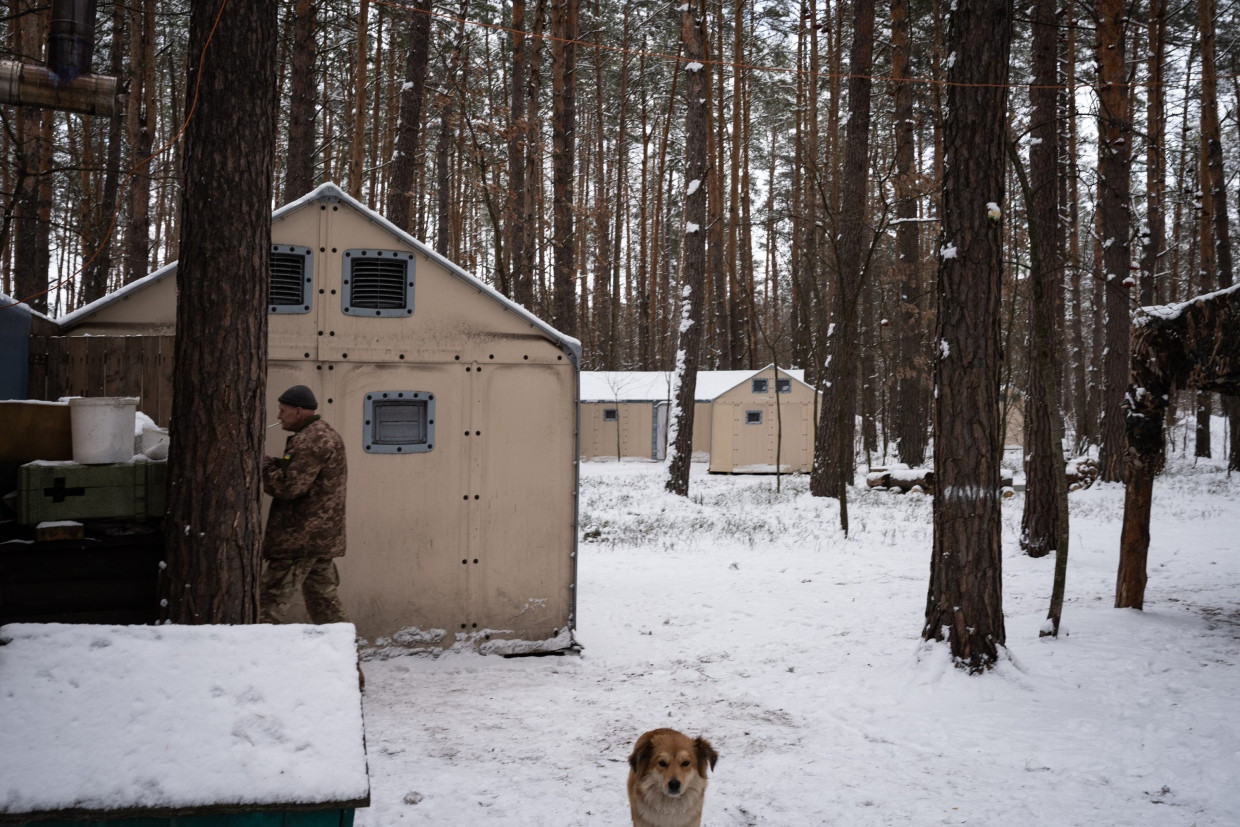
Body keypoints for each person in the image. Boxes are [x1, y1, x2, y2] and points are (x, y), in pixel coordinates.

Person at [259, 384, 350, 624]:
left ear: (298, 412)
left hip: (300, 540)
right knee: (326, 609)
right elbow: (305, 475)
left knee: (268, 606)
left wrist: (264, 467)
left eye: (282, 410)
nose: (278, 417)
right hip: (315, 539)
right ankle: (346, 660)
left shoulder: (312, 440)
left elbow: (289, 487)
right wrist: (276, 464)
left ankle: (256, 659)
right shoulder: (318, 435)